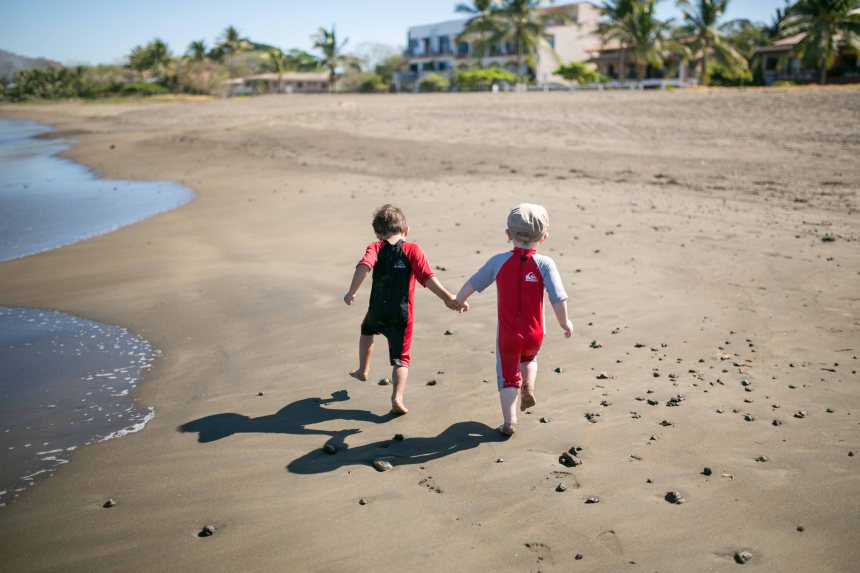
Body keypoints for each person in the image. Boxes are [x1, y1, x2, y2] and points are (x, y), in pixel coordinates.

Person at [454, 203, 572, 436]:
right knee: (530, 358)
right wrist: (564, 322)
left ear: (509, 234)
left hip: (508, 336)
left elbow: (474, 282)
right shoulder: (546, 264)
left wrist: (459, 299)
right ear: (544, 237)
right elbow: (558, 296)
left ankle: (510, 421)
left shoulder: (498, 261)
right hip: (535, 334)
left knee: (508, 377)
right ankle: (529, 384)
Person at [344, 204, 461, 415]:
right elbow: (427, 277)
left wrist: (352, 291)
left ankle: (363, 369)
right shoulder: (412, 249)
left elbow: (364, 266)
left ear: (379, 233)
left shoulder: (376, 247)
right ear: (405, 231)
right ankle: (397, 397)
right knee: (401, 359)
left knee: (366, 331)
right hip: (402, 316)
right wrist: (447, 297)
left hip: (377, 310)